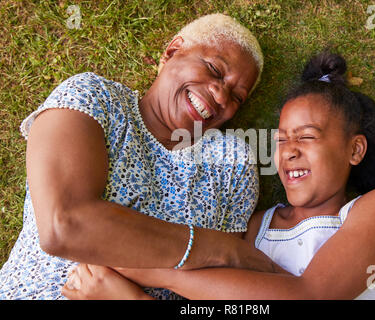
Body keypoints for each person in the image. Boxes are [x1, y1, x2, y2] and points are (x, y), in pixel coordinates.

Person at [62, 51, 375, 300]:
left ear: (355, 150)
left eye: (306, 136)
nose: (288, 151)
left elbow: (311, 294)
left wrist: (147, 272)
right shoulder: (256, 229)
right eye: (281, 139)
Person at [0, 14, 282, 300]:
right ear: (172, 52)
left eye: (237, 97)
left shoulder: (232, 163)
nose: (222, 97)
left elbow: (215, 293)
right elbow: (65, 225)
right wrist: (221, 249)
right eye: (214, 70)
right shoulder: (94, 98)